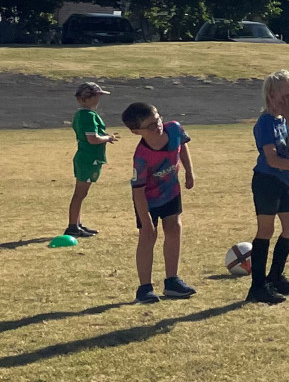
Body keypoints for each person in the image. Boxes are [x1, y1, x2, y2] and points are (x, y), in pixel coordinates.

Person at [246, 69, 289, 306]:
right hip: (266, 181)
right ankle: (258, 287)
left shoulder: (287, 119)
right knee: (265, 231)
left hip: (285, 182)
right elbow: (272, 159)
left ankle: (275, 277)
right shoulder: (265, 123)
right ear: (272, 95)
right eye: (287, 96)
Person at [122, 102, 196, 304]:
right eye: (150, 126)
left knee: (174, 228)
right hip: (147, 199)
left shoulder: (174, 129)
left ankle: (172, 281)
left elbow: (182, 145)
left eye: (157, 120)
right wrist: (146, 221)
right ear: (136, 132)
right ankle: (144, 288)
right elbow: (137, 191)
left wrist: (189, 171)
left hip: (171, 192)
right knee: (148, 236)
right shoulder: (141, 157)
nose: (158, 126)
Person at [66, 81, 116, 238]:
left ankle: (77, 224)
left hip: (85, 157)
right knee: (80, 193)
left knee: (81, 193)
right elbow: (92, 138)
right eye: (95, 96)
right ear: (85, 99)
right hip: (88, 158)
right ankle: (73, 226)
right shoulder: (87, 115)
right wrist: (108, 138)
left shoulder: (83, 115)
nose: (98, 100)